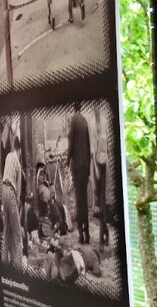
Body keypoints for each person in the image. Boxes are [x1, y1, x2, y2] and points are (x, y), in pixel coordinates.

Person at [67, 102, 91, 244]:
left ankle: (81, 235)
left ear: (73, 107)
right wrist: (88, 166)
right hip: (85, 166)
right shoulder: (84, 121)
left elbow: (71, 144)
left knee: (79, 200)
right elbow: (88, 145)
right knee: (84, 200)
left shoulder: (73, 120)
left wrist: (67, 160)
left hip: (77, 166)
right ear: (81, 107)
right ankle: (87, 233)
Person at [2, 136, 23, 268]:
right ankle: (18, 266)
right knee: (17, 234)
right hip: (11, 194)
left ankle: (4, 262)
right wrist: (18, 203)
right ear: (19, 149)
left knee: (6, 231)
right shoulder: (18, 165)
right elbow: (18, 193)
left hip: (3, 191)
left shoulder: (8, 156)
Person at [93, 110, 109, 248]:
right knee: (99, 202)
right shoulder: (95, 127)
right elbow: (95, 154)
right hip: (98, 166)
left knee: (103, 204)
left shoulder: (104, 124)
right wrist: (96, 170)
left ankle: (102, 239)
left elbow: (105, 152)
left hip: (104, 167)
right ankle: (104, 234)